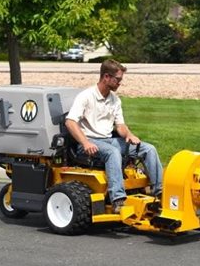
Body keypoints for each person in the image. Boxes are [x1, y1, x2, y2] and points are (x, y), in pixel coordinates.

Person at [65, 59, 163, 213]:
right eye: (118, 79)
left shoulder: (115, 100)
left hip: (109, 141)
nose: (120, 83)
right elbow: (70, 122)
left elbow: (120, 126)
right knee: (113, 153)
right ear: (106, 77)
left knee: (148, 149)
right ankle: (117, 199)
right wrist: (85, 143)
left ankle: (160, 191)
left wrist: (130, 135)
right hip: (89, 142)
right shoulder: (86, 96)